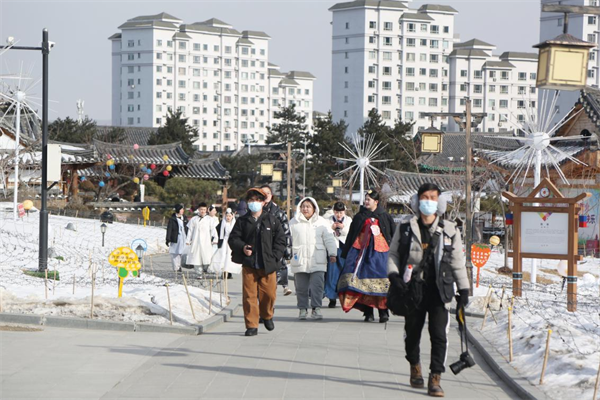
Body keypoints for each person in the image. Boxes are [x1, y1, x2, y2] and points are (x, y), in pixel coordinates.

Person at [387, 183, 469, 397]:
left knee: (439, 334)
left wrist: (464, 289)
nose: (428, 201)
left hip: (440, 290)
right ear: (417, 201)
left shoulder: (450, 230)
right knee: (413, 333)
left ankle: (435, 377)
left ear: (439, 202)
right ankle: (414, 365)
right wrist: (394, 275)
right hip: (412, 289)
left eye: (433, 197)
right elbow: (393, 254)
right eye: (424, 197)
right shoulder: (405, 228)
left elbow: (457, 262)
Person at [229, 188, 287, 337]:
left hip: (268, 265)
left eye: (257, 200)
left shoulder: (272, 220)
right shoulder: (242, 221)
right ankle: (251, 325)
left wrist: (275, 256)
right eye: (251, 200)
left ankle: (267, 315)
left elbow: (281, 241)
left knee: (269, 295)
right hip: (249, 264)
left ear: (263, 202)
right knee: (249, 296)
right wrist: (243, 247)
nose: (254, 203)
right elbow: (233, 239)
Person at [338, 189, 395, 323]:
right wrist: (347, 253)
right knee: (362, 281)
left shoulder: (384, 216)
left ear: (376, 202)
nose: (366, 201)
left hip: (380, 254)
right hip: (361, 253)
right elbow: (352, 235)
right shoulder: (360, 216)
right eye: (366, 199)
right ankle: (368, 312)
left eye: (369, 199)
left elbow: (392, 233)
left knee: (382, 280)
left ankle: (383, 311)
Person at [289, 197, 338, 320]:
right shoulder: (293, 222)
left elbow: (329, 239)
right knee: (301, 287)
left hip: (318, 258)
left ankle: (316, 308)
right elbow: (287, 240)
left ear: (314, 208)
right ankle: (302, 309)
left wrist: (332, 253)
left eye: (308, 206)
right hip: (299, 258)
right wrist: (286, 254)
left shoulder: (321, 222)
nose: (305, 209)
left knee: (317, 286)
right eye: (303, 206)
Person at [260, 184, 293, 296]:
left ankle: (284, 285)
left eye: (267, 193)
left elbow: (286, 232)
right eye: (262, 193)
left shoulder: (278, 212)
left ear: (271, 195)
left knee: (280, 266)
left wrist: (287, 250)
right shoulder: (255, 210)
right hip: (260, 248)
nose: (265, 196)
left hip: (275, 245)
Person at [324, 202, 352, 308]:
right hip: (333, 249)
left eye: (340, 212)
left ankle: (344, 296)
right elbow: (325, 232)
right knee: (332, 273)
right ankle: (331, 297)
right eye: (336, 212)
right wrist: (332, 227)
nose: (338, 215)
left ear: (344, 211)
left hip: (344, 249)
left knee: (343, 273)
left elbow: (351, 232)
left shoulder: (348, 220)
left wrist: (343, 228)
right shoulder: (327, 220)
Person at [186, 202, 218, 278]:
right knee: (196, 257)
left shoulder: (209, 219)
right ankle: (199, 273)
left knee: (206, 257)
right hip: (196, 241)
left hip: (206, 242)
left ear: (206, 210)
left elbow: (213, 230)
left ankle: (206, 269)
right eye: (201, 209)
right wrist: (188, 240)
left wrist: (215, 238)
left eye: (204, 209)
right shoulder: (194, 219)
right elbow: (190, 230)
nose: (202, 211)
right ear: (198, 210)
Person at [211, 208, 242, 276]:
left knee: (230, 256)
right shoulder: (223, 223)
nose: (228, 218)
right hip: (225, 241)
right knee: (223, 256)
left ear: (232, 216)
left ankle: (229, 271)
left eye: (229, 216)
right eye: (227, 216)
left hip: (232, 241)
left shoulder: (235, 224)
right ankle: (223, 271)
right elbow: (220, 233)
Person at [165, 204, 188, 272]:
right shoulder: (173, 219)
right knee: (175, 253)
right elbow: (169, 229)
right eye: (181, 209)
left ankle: (179, 265)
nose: (183, 211)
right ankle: (176, 267)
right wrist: (168, 239)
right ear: (178, 210)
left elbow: (188, 228)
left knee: (182, 252)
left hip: (184, 237)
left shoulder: (184, 218)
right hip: (175, 237)